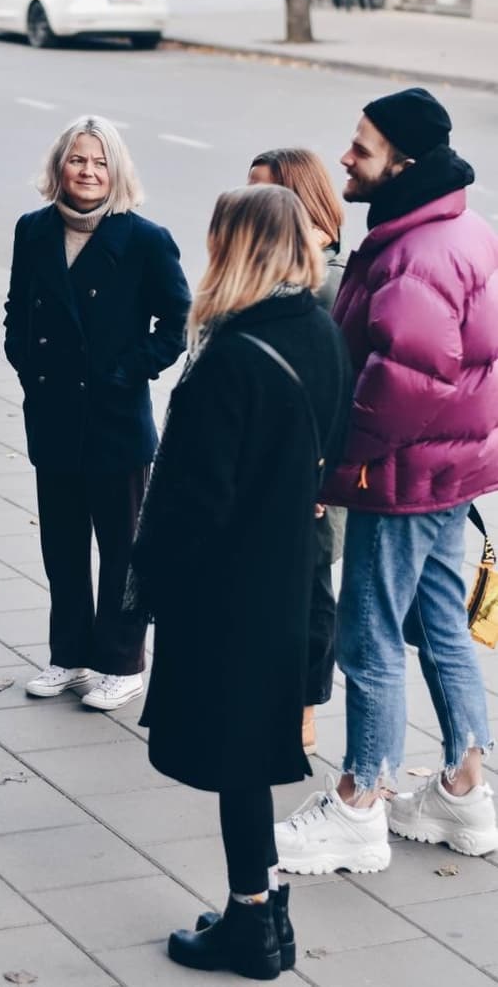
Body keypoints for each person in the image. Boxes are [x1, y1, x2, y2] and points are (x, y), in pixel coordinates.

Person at [127, 184, 353, 979]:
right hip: (288, 571)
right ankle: (261, 910)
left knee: (236, 759)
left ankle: (252, 924)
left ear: (237, 249)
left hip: (228, 589)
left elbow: (197, 496)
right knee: (253, 751)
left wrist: (153, 584)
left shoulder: (230, 356)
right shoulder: (320, 331)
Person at [275, 87, 498, 876]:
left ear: (403, 162)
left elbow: (403, 385)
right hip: (452, 467)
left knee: (371, 634)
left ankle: (360, 801)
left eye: (361, 147)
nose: (345, 156)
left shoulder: (415, 253)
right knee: (438, 623)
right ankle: (466, 789)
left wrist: (334, 471)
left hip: (402, 473)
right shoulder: (458, 226)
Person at [3, 115, 191, 711]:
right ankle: (70, 656)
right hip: (53, 413)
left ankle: (122, 662)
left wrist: (126, 370)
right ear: (60, 165)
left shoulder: (143, 239)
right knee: (61, 545)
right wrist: (24, 363)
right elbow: (16, 310)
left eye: (100, 162)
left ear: (118, 171)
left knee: (121, 548)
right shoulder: (32, 230)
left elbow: (178, 322)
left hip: (115, 418)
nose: (88, 171)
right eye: (78, 159)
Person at [248, 149, 346, 755]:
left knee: (310, 587)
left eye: (263, 190)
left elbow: (338, 389)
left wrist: (318, 479)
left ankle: (304, 711)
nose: (250, 199)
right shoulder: (269, 269)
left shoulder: (328, 282)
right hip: (270, 465)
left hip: (311, 472)